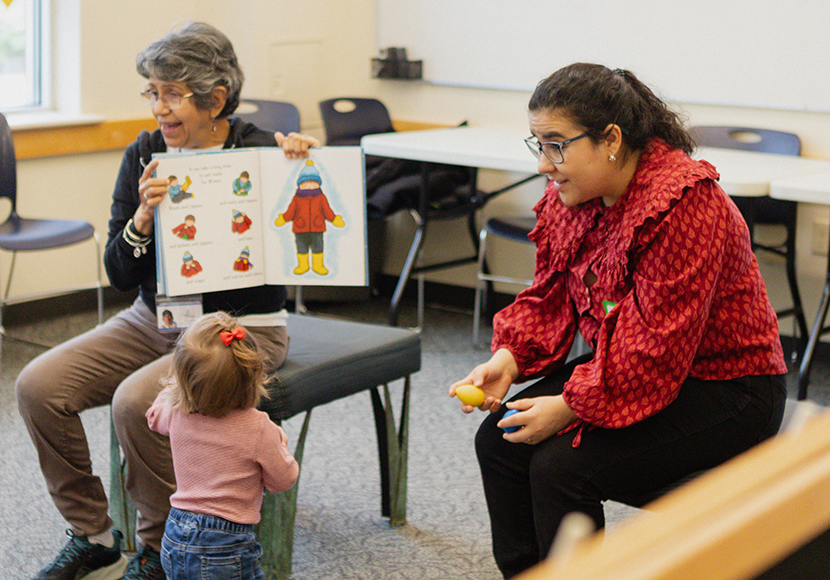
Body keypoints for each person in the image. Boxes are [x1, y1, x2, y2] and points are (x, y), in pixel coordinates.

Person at [449, 63, 788, 579]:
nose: (545, 164)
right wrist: (509, 358)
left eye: (556, 145)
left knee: (559, 467)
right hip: (629, 361)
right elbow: (549, 295)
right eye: (538, 144)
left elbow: (658, 347)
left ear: (610, 139)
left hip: (729, 390)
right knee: (500, 440)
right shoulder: (574, 193)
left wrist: (568, 405)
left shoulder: (685, 203)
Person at [16, 21, 319, 580]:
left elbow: (312, 235)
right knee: (38, 386)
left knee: (137, 402)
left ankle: (159, 548)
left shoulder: (262, 152)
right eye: (152, 92)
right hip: (153, 316)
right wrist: (142, 221)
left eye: (171, 93)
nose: (158, 107)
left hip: (242, 327)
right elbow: (117, 273)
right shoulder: (145, 152)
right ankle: (94, 534)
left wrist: (302, 164)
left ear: (215, 99)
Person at [146, 312, 299, 580]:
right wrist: (281, 444)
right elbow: (283, 480)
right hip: (226, 545)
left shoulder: (176, 411)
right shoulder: (259, 427)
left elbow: (153, 416)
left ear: (184, 379)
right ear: (252, 378)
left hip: (174, 533)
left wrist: (175, 388)